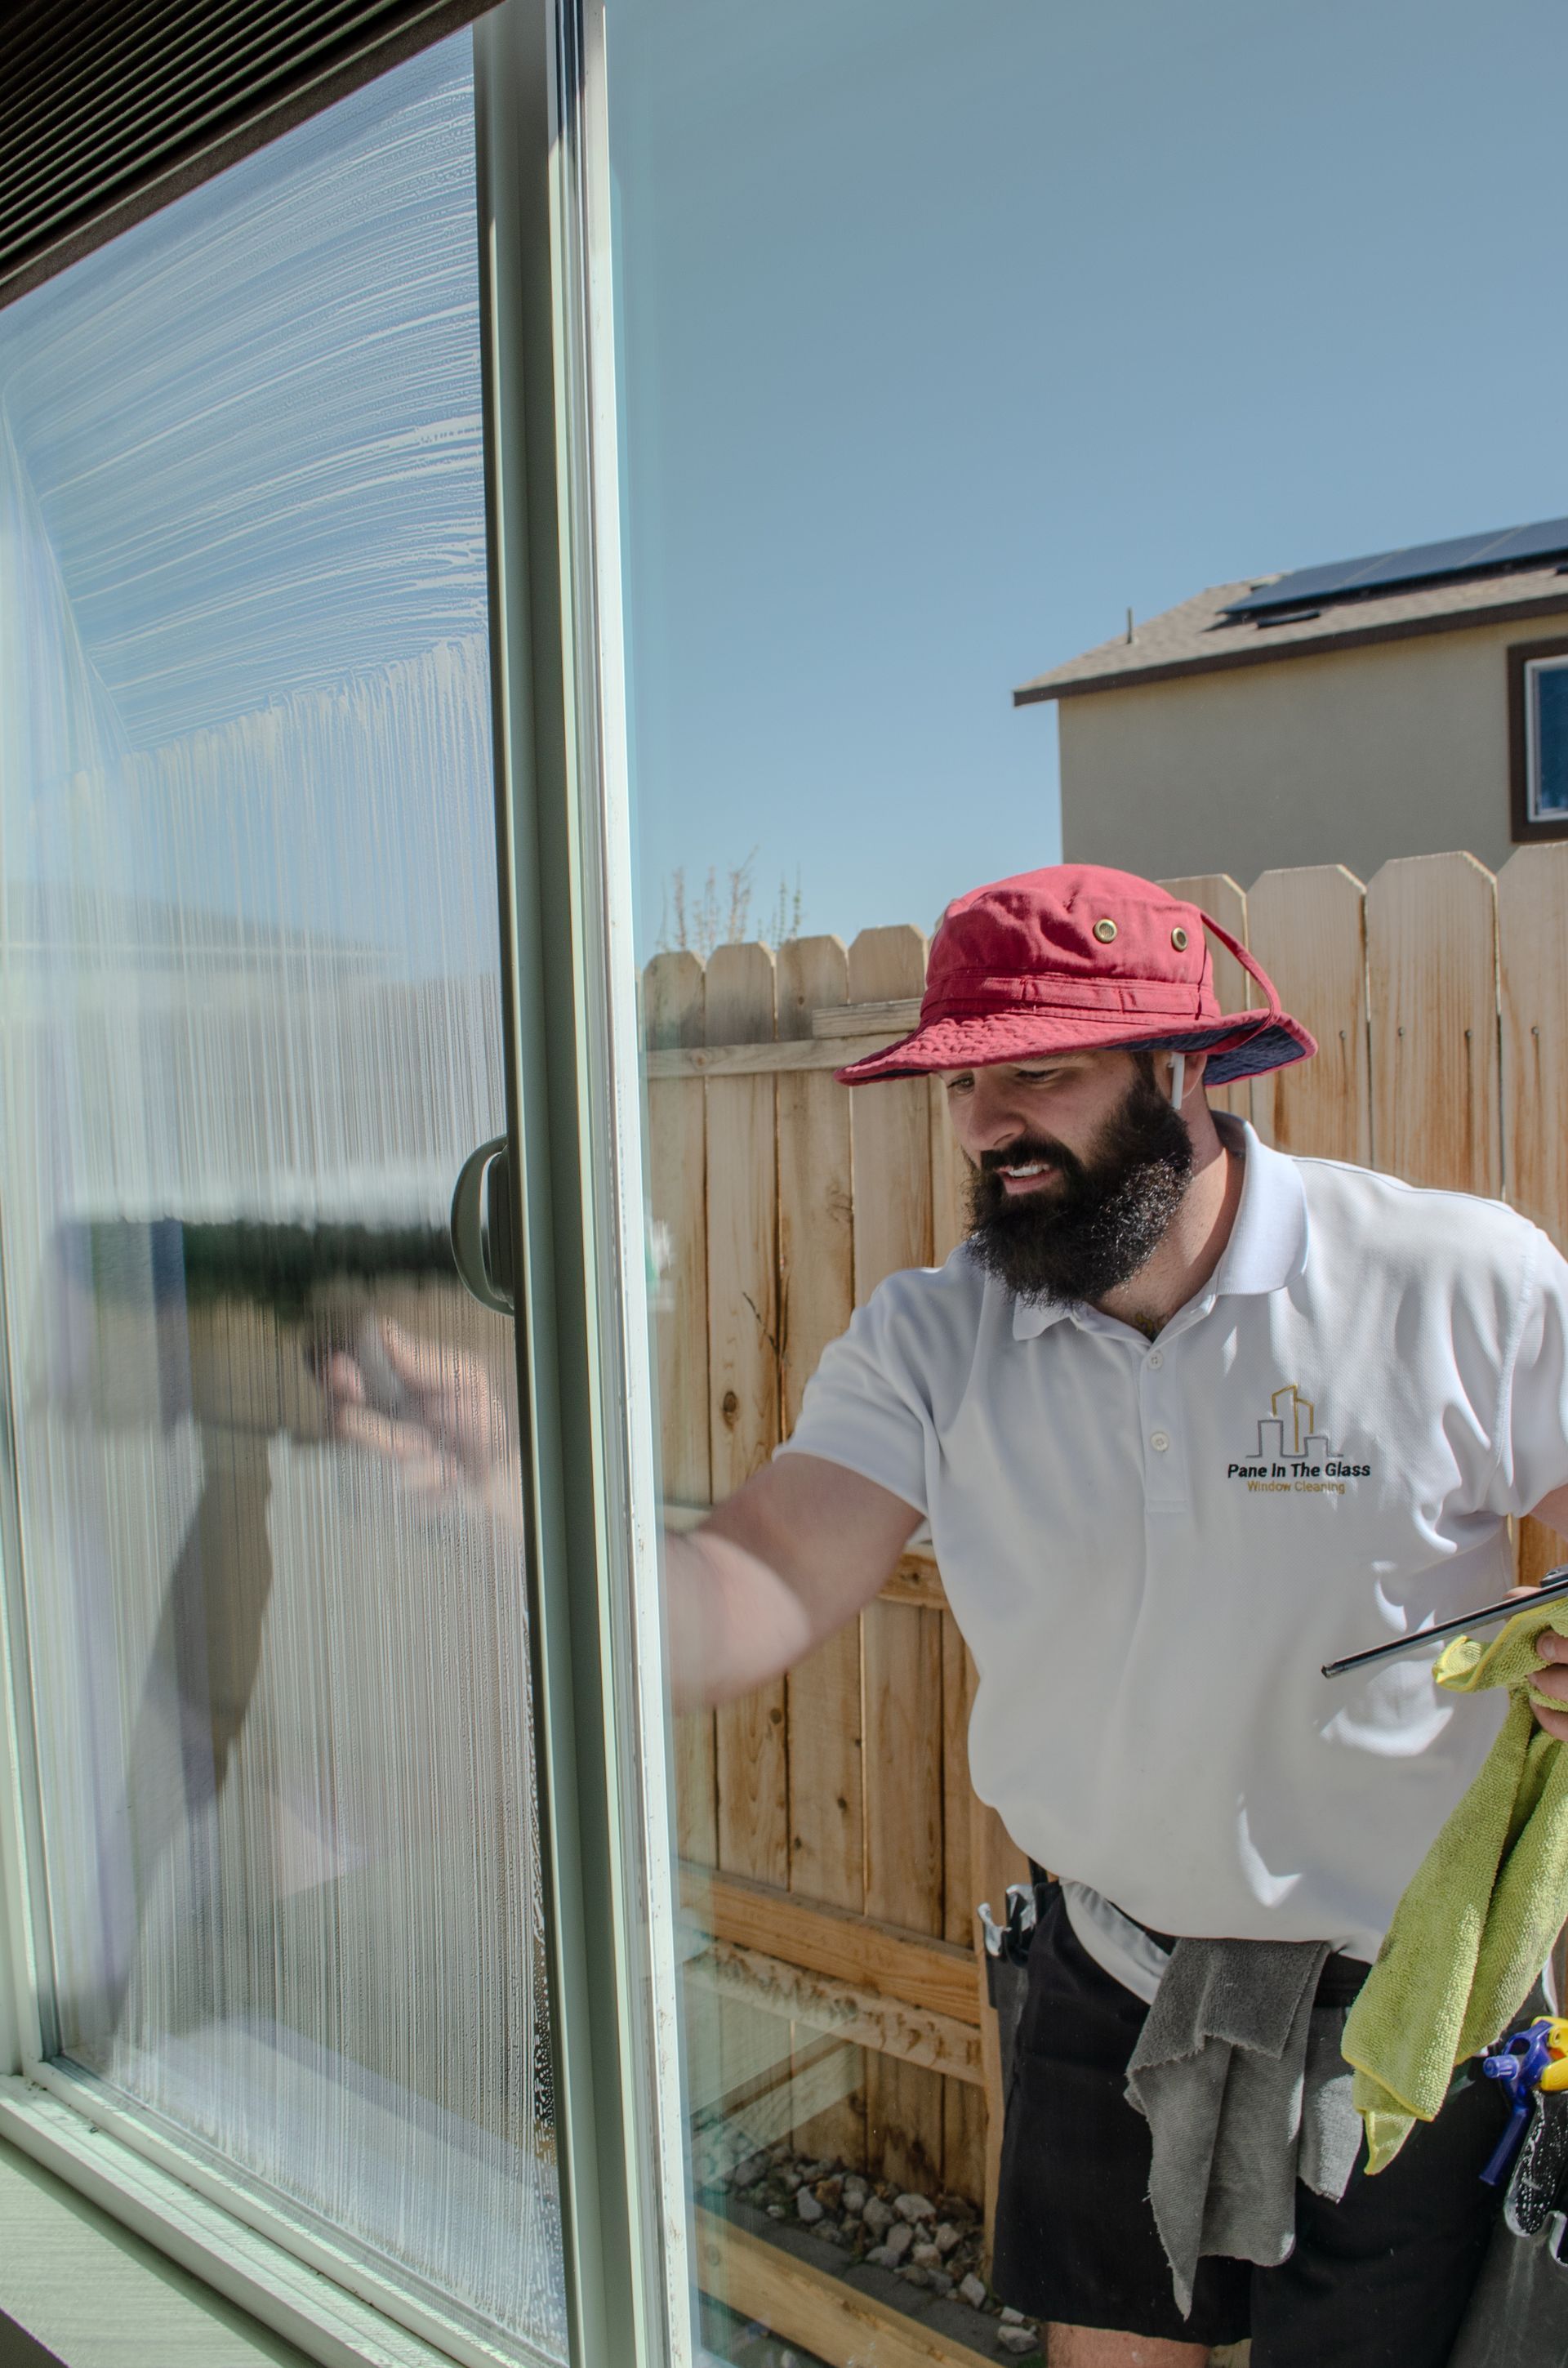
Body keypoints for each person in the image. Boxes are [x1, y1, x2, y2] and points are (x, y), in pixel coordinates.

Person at [329, 863, 1568, 2368]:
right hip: (1110, 1980)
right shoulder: (929, 1340)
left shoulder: (1457, 1281)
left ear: (1182, 1066)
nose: (986, 1121)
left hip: (1408, 2016)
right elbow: (749, 1595)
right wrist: (519, 1505)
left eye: (1036, 1069)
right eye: (964, 1078)